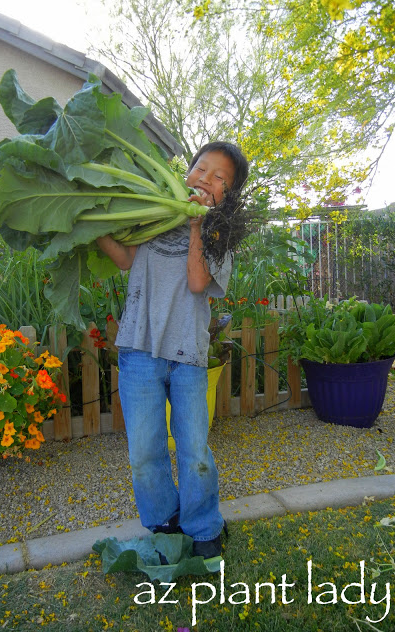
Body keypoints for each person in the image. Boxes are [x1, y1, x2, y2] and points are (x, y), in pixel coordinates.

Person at [96, 141, 249, 560]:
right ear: (188, 172)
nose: (206, 179)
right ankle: (164, 522)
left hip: (188, 355)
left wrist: (198, 225)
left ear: (228, 196)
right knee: (145, 450)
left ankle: (203, 527)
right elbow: (126, 259)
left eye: (220, 178)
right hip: (138, 350)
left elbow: (198, 284)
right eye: (201, 169)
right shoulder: (150, 213)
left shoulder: (219, 236)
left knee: (194, 448)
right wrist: (94, 225)